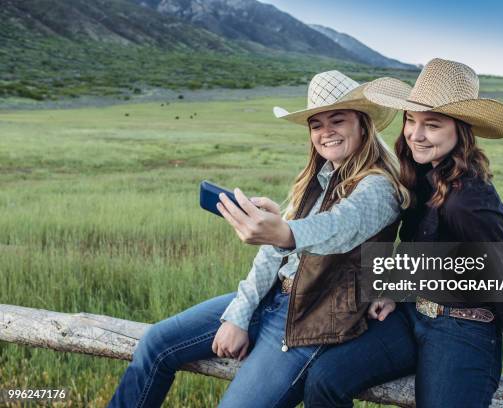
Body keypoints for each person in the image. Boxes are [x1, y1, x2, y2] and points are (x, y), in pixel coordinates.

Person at [107, 70, 410, 408]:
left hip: (313, 319)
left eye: (337, 120)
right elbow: (272, 257)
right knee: (155, 343)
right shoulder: (317, 179)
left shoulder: (378, 188)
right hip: (272, 298)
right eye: (316, 125)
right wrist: (239, 314)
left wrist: (284, 231)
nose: (326, 132)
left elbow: (338, 228)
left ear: (362, 124)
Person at [301, 58, 503, 408]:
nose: (415, 134)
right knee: (323, 381)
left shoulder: (469, 201)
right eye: (411, 120)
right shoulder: (421, 174)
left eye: (431, 125)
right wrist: (393, 290)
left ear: (460, 130)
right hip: (412, 315)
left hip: (463, 330)